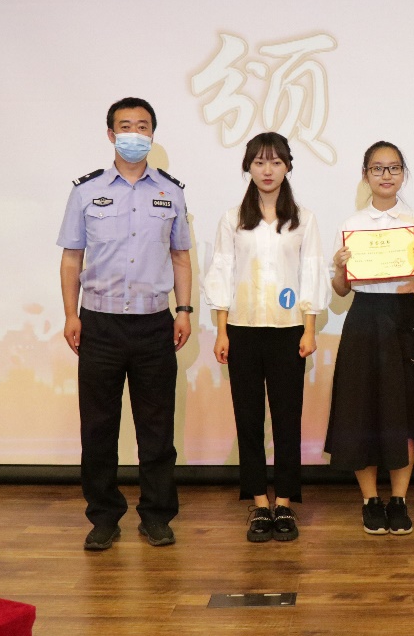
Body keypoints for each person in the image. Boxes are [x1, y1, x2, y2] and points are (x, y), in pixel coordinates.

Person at [58, 96, 192, 551]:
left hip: (154, 323)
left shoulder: (171, 192)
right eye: (126, 126)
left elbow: (180, 257)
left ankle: (156, 516)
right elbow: (72, 258)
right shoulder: (85, 191)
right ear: (111, 134)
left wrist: (184, 310)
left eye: (143, 126)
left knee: (157, 430)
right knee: (98, 428)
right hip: (99, 324)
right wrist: (71, 313)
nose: (135, 133)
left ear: (153, 134)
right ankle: (103, 517)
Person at [203, 132, 328, 543]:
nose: (267, 170)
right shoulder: (233, 219)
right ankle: (259, 503)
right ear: (248, 167)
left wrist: (309, 329)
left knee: (288, 419)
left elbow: (311, 273)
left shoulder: (304, 219)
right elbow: (222, 273)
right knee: (249, 418)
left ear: (288, 166)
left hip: (289, 330)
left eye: (275, 162)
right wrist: (221, 331)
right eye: (259, 162)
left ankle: (285, 503)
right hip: (242, 329)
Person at [327, 141, 414, 536]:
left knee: (402, 411)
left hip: (403, 317)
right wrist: (340, 269)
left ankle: (399, 500)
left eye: (393, 168)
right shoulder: (352, 224)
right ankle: (369, 501)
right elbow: (341, 290)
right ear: (365, 175)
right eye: (377, 168)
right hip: (363, 317)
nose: (386, 175)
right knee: (361, 410)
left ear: (403, 174)